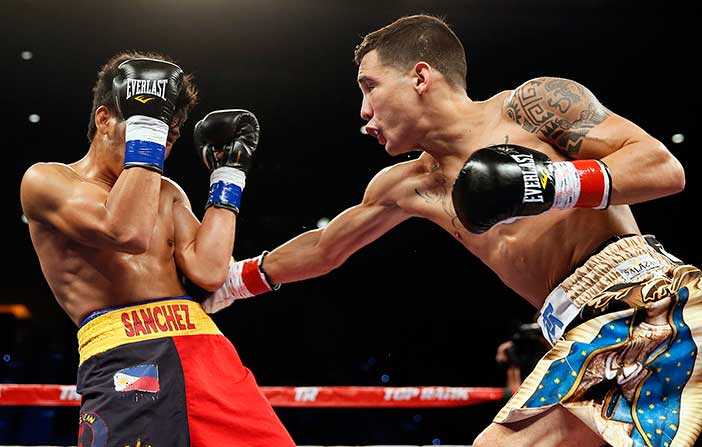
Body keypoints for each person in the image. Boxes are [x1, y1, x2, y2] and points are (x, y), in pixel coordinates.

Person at [203, 14, 702, 447]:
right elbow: (326, 247)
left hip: (644, 298)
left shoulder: (530, 106)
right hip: (580, 328)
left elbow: (662, 167)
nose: (363, 113)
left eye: (370, 86)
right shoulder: (408, 184)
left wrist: (551, 183)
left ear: (420, 76)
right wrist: (227, 282)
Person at [19, 51, 294, 447]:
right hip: (125, 357)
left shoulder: (167, 191)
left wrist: (228, 174)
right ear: (104, 119)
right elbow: (126, 232)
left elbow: (209, 270)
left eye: (170, 135)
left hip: (205, 347)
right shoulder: (47, 181)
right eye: (153, 127)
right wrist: (150, 124)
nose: (162, 144)